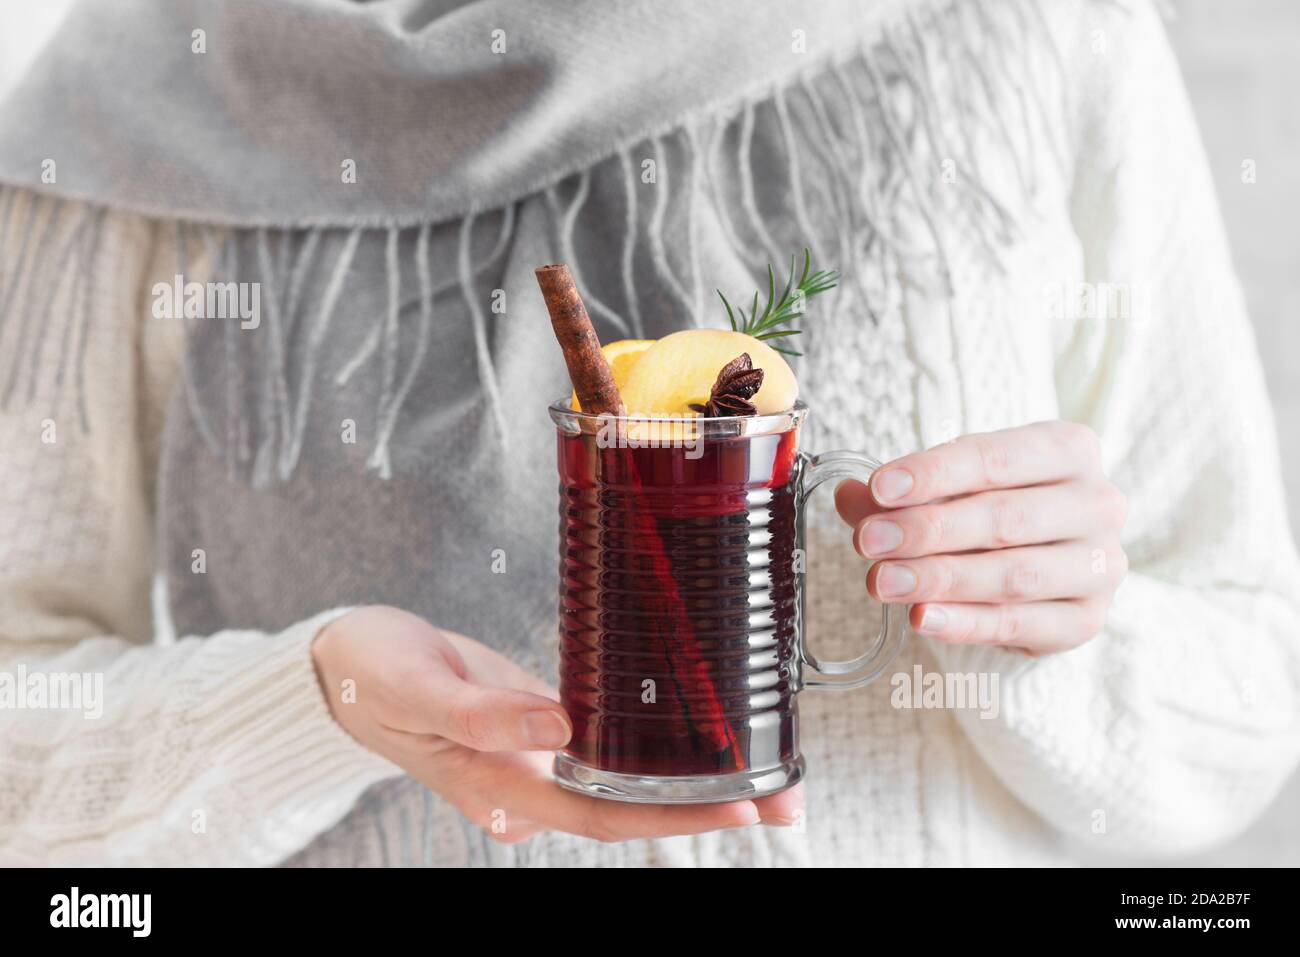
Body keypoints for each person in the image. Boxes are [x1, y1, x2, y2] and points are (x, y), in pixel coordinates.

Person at [1, 0, 1297, 867]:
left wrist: (1048, 641)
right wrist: (306, 704)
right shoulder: (139, 109)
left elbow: (1249, 697)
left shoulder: (1016, 29)